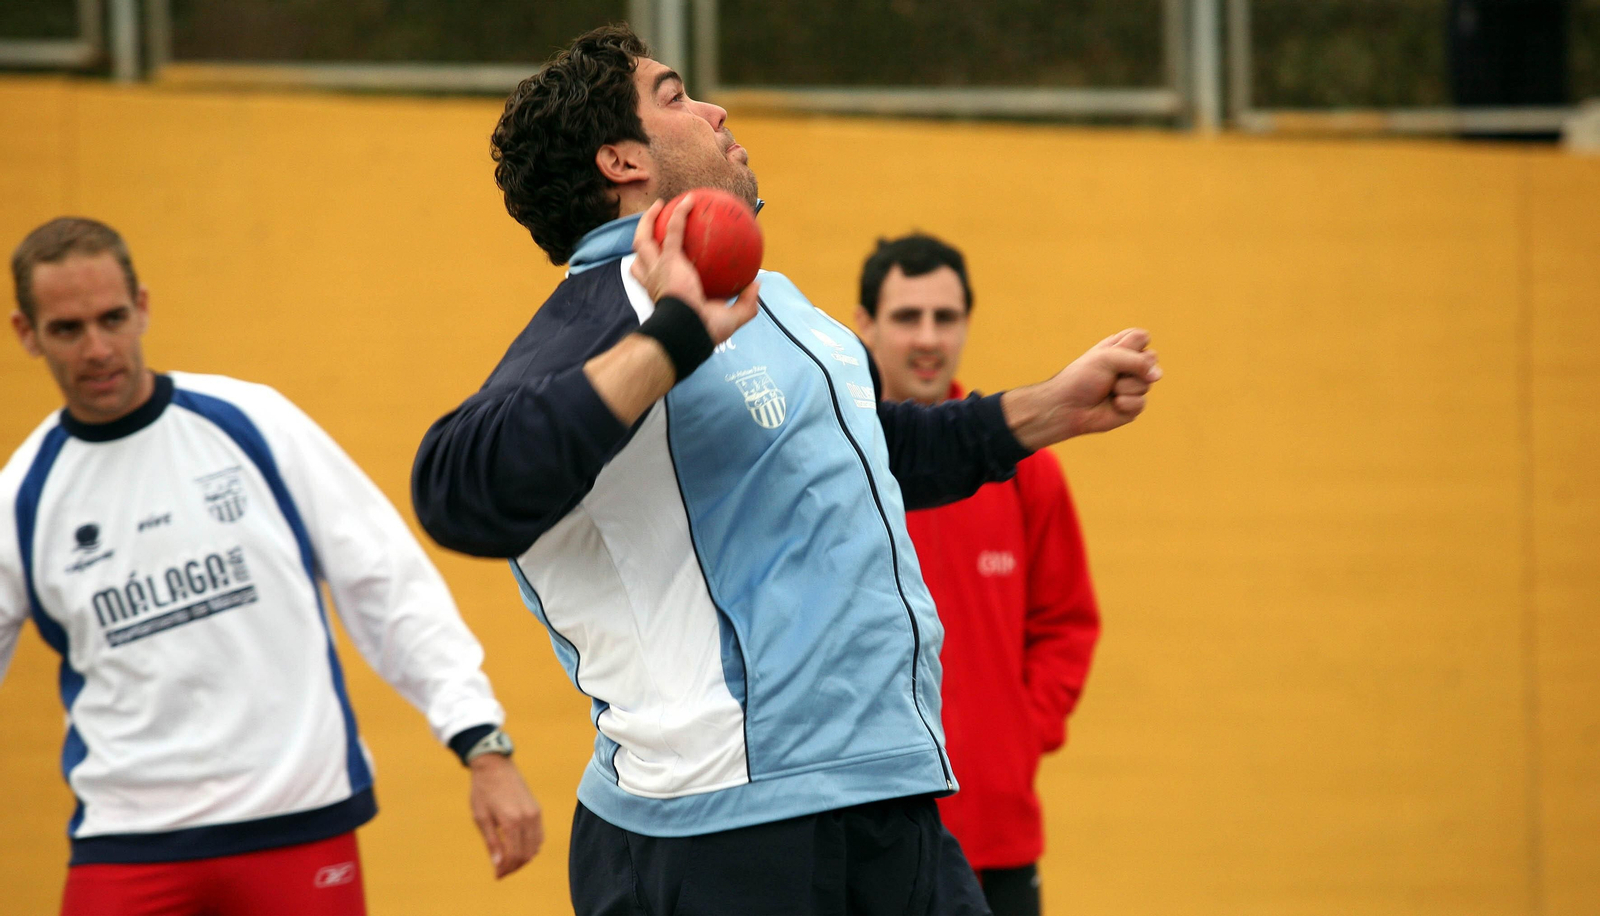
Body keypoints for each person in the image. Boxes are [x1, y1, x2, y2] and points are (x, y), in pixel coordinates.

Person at [411, 25, 1159, 916]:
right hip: (720, 829)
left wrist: (1044, 411)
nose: (714, 109)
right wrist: (673, 338)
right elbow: (455, 490)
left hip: (882, 793)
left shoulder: (769, 298)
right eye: (675, 96)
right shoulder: (595, 318)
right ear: (621, 159)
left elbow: (862, 452)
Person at [0, 217, 544, 916]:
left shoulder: (253, 423)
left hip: (299, 831)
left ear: (142, 306)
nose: (98, 348)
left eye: (111, 318)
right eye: (68, 329)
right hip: (128, 846)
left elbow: (388, 584)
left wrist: (483, 746)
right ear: (27, 333)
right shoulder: (23, 497)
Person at [856, 234, 1101, 916]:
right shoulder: (837, 466)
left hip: (998, 836)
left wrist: (1019, 736)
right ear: (864, 325)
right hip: (871, 839)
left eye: (946, 317)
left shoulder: (1026, 469)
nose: (928, 337)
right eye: (907, 317)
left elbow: (1067, 622)